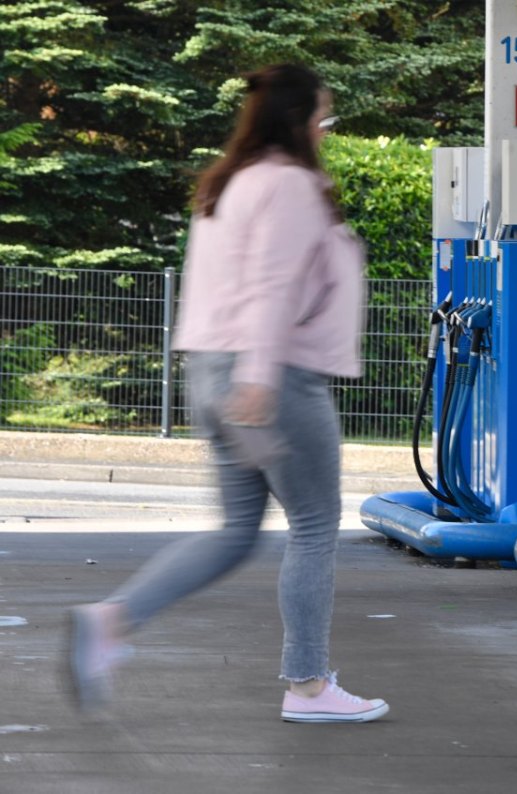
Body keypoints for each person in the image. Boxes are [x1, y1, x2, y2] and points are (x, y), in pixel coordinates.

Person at [64, 63, 388, 724]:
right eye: (325, 118)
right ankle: (308, 686)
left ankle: (109, 622)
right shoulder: (291, 186)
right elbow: (271, 289)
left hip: (211, 372)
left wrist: (236, 378)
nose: (327, 131)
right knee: (317, 525)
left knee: (238, 531)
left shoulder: (228, 183)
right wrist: (260, 380)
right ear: (298, 121)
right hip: (272, 379)